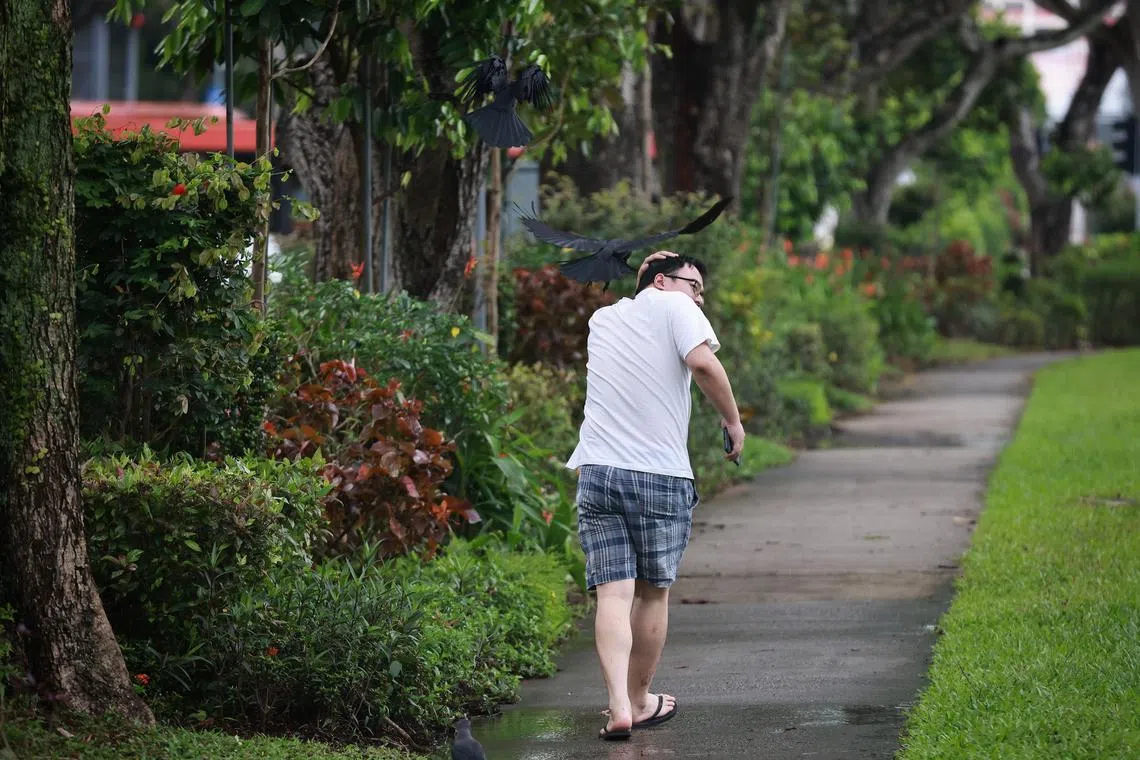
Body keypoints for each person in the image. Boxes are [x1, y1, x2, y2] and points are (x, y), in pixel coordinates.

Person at [566, 250, 744, 741]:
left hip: (598, 472)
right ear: (664, 280)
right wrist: (732, 421)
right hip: (658, 476)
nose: (699, 297)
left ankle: (618, 706)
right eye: (695, 286)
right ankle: (641, 700)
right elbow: (703, 365)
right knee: (650, 593)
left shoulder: (602, 319)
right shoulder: (675, 305)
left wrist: (651, 274)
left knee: (613, 592)